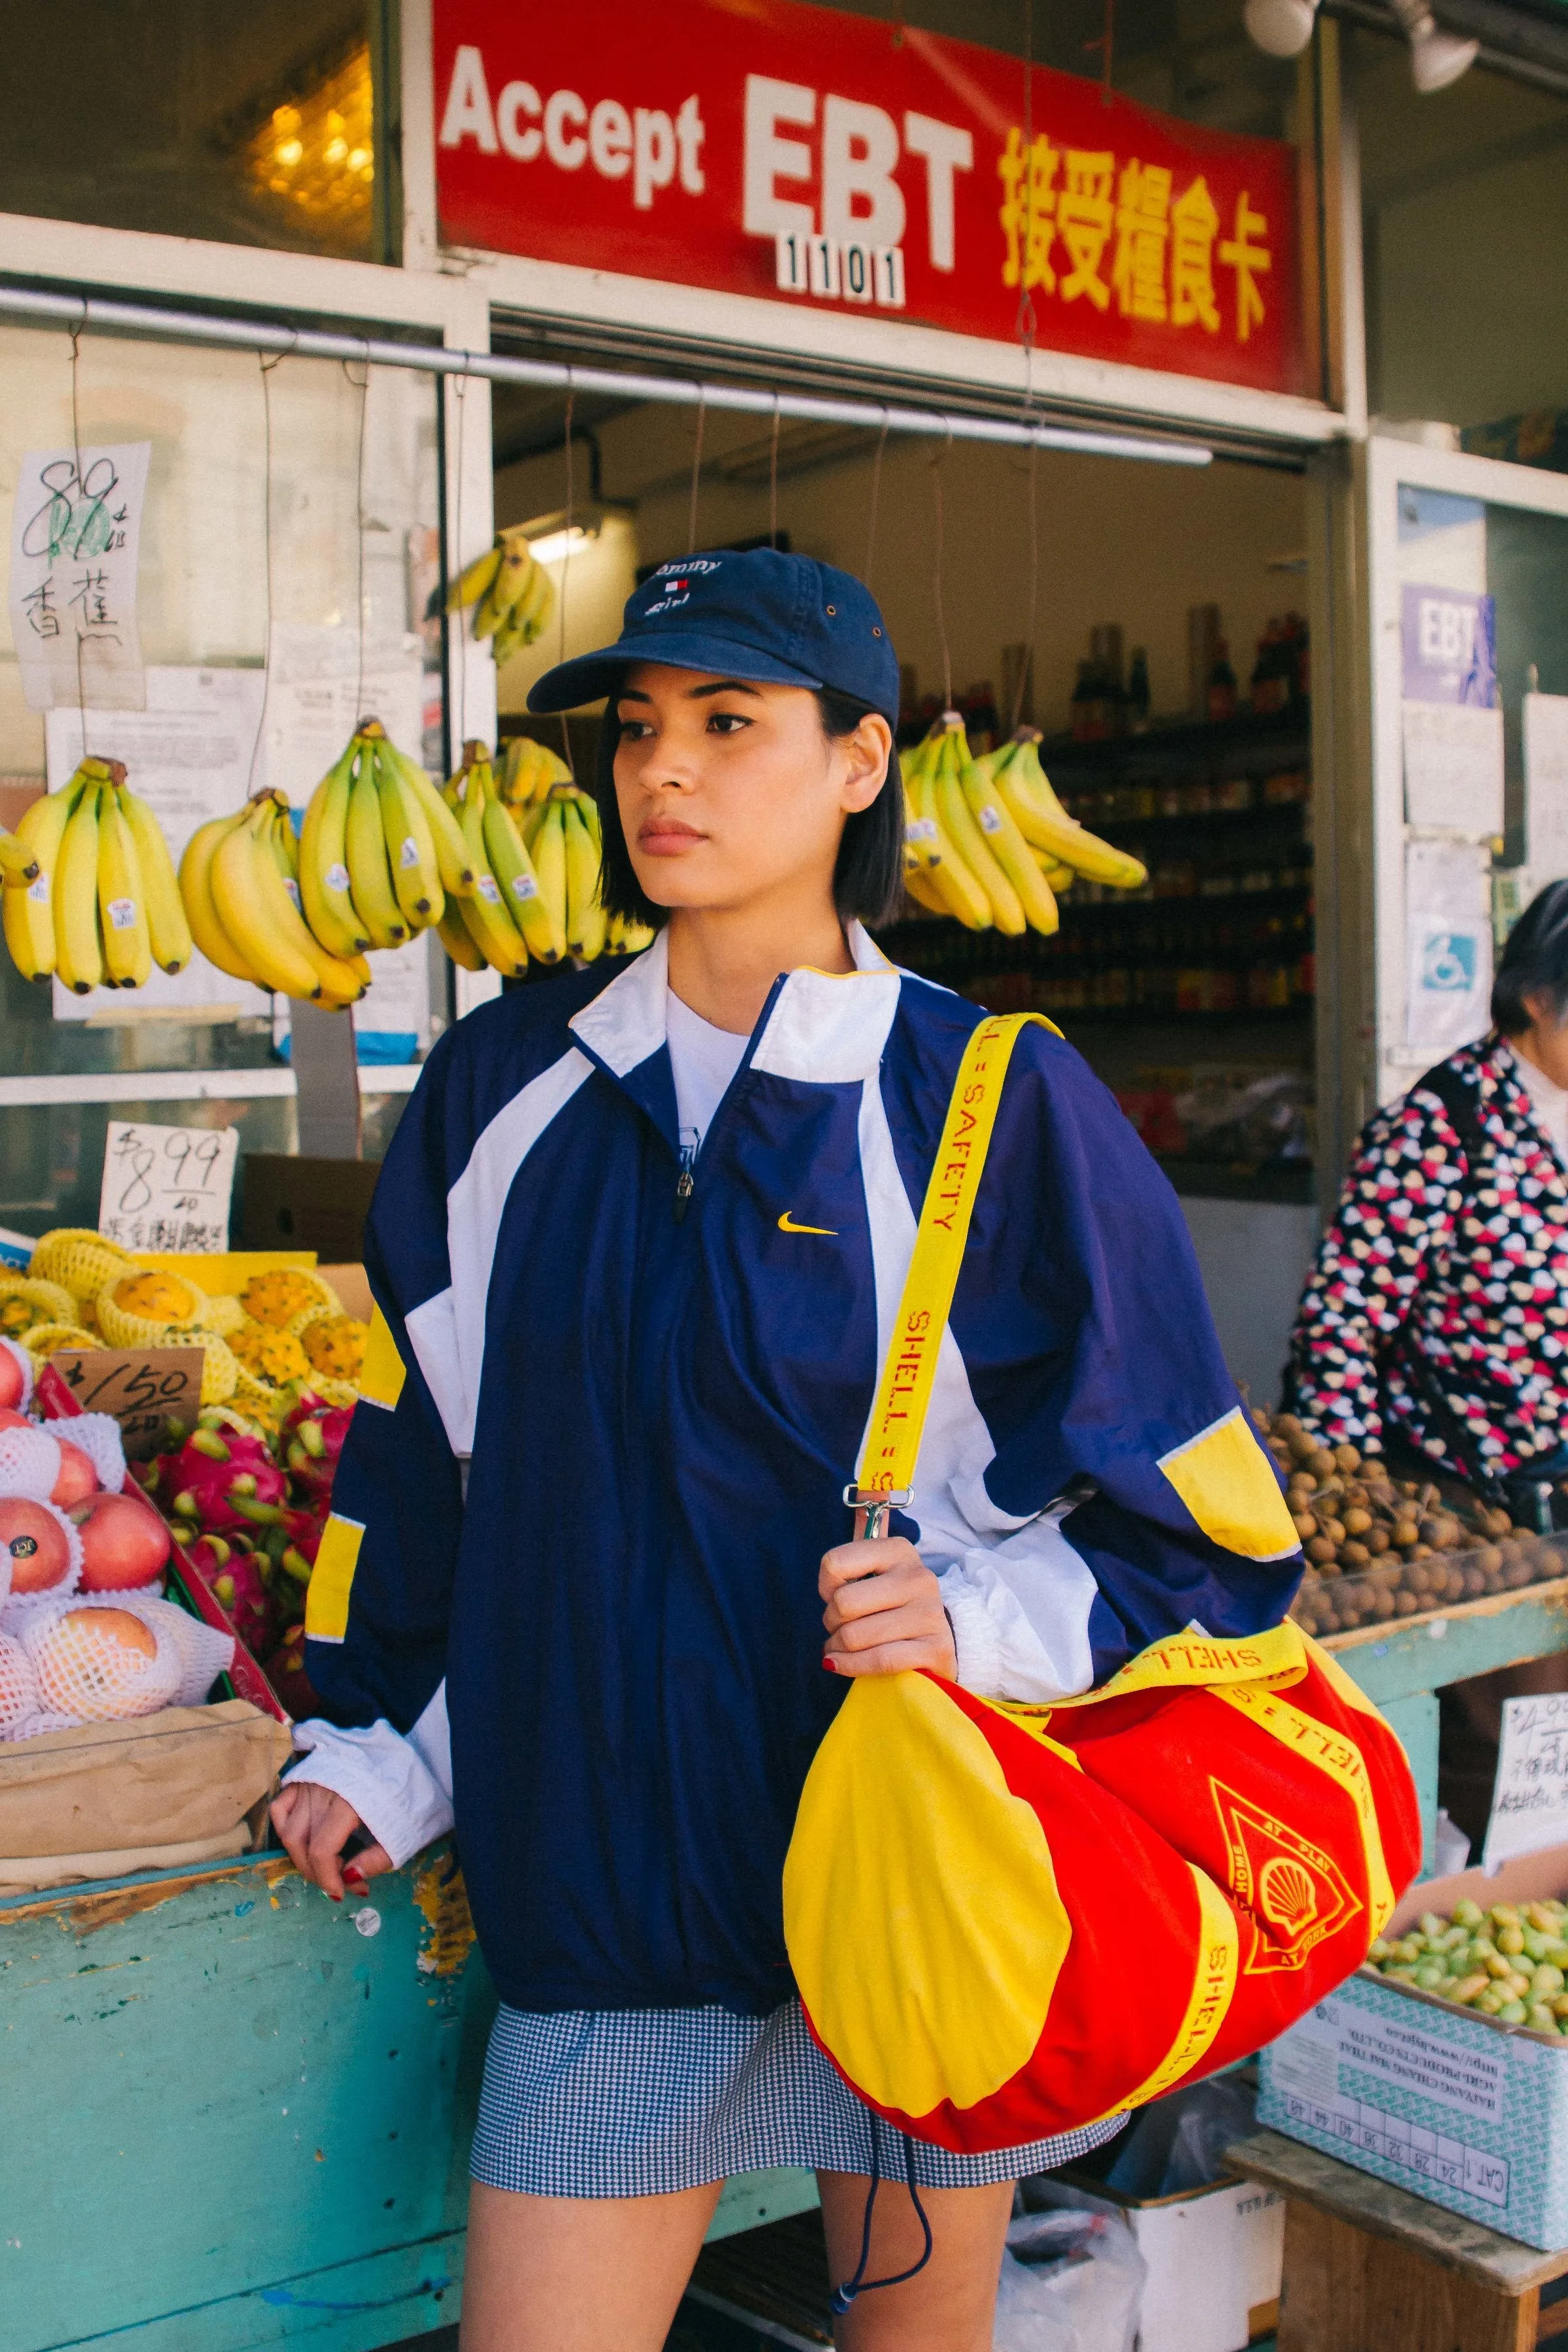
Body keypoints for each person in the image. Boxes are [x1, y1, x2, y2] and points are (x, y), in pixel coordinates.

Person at [271, 548, 1302, 2352]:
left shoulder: (988, 1100)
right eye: (638, 730)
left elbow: (1194, 1517)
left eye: (730, 724)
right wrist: (378, 1747)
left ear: (859, 762)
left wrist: (970, 1619)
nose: (663, 771)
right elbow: (425, 1474)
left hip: (904, 1880)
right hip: (605, 1901)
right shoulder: (499, 1095)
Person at [1285, 879, 1568, 1520]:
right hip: (1474, 1502)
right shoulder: (1443, 1126)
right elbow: (1342, 1323)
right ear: (1537, 999)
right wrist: (1359, 1505)